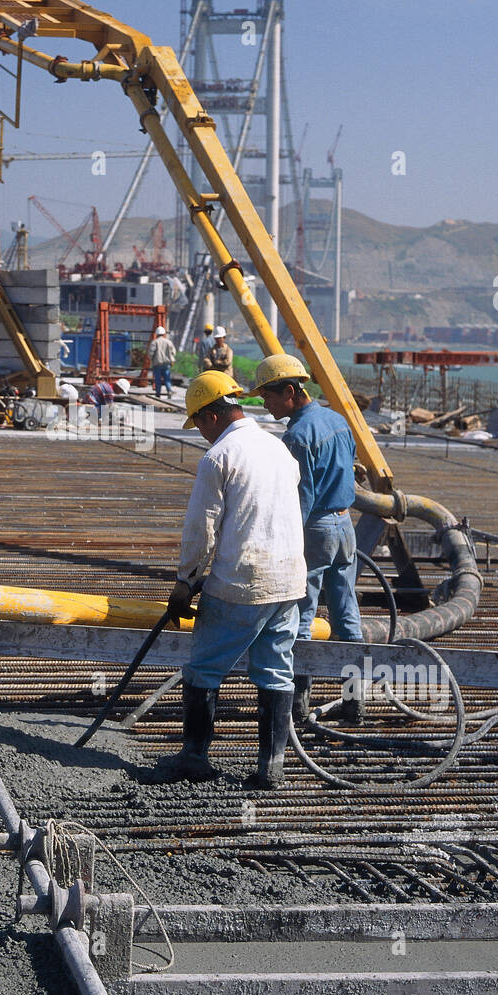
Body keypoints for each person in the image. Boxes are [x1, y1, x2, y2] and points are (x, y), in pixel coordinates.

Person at [145, 370, 306, 787]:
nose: (199, 432)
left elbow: (202, 527)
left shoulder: (220, 456)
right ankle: (271, 769)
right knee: (275, 672)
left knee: (203, 670)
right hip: (289, 582)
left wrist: (186, 581)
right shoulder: (279, 450)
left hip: (242, 582)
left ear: (209, 416)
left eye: (197, 423)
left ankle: (194, 758)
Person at [252, 353, 364, 726]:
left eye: (268, 396)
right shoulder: (336, 420)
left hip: (315, 528)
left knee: (302, 614)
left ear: (289, 391)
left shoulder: (297, 437)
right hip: (346, 523)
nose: (264, 404)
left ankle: (297, 705)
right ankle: (354, 701)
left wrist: (282, 544)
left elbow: (300, 499)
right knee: (347, 616)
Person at [147, 326, 176, 398]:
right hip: (167, 364)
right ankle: (169, 390)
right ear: (164, 334)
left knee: (158, 379)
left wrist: (151, 359)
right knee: (167, 378)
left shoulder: (154, 342)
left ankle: (158, 393)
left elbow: (150, 353)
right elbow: (173, 352)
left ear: (156, 334)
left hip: (157, 364)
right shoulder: (169, 342)